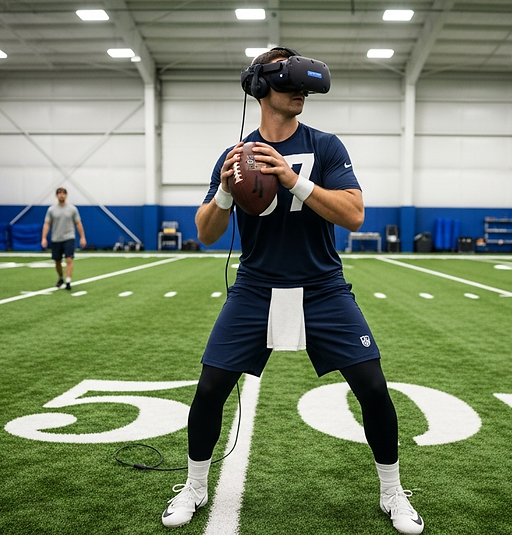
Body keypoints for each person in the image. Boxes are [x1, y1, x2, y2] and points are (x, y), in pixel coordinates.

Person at [160, 47, 423, 535]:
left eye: (304, 84)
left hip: (323, 287)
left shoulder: (325, 146)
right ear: (261, 87)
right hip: (255, 288)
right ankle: (195, 486)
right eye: (289, 82)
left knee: (373, 388)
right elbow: (206, 233)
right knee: (210, 389)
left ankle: (393, 491)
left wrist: (291, 179)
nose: (300, 91)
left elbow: (353, 214)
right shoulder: (235, 154)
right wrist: (223, 191)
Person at [41, 187, 86, 291]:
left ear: (66, 195)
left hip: (69, 237)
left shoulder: (72, 209)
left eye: (63, 193)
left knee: (69, 259)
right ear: (57, 196)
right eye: (59, 193)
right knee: (57, 261)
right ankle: (61, 278)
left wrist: (82, 236)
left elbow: (78, 223)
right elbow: (47, 224)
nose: (61, 195)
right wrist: (44, 238)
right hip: (56, 238)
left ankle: (68, 281)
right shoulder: (51, 210)